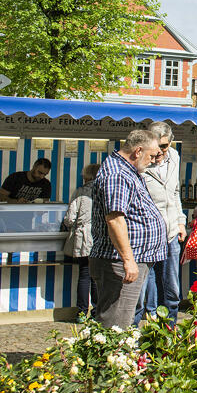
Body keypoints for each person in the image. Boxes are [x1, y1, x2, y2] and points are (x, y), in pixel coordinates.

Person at [89, 130, 167, 329]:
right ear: (138, 151)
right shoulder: (117, 174)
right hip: (118, 261)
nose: (153, 161)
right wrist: (128, 259)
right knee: (115, 321)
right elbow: (115, 219)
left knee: (122, 317)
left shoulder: (128, 171)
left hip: (130, 259)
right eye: (151, 155)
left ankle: (116, 355)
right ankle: (110, 358)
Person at [135, 122, 186, 324]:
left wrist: (181, 222)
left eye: (164, 146)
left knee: (171, 284)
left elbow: (175, 192)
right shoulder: (141, 162)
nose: (160, 152)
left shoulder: (174, 157)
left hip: (171, 230)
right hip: (147, 233)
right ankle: (138, 328)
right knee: (143, 283)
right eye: (157, 147)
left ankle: (170, 328)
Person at [62, 163, 100, 319]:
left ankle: (81, 312)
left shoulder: (80, 192)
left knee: (84, 274)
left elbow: (69, 219)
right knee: (97, 277)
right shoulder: (104, 190)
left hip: (83, 237)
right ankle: (97, 311)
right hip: (99, 237)